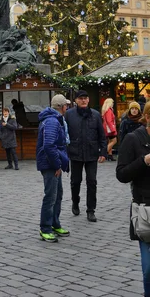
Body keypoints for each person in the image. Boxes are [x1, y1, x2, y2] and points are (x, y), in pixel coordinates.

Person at [116, 101, 150, 297]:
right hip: (145, 211)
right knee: (148, 270)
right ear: (147, 118)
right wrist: (143, 161)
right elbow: (121, 174)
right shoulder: (133, 139)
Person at [65, 90, 107, 222]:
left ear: (88, 100)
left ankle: (91, 210)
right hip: (75, 153)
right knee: (75, 182)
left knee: (92, 182)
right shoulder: (69, 114)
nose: (83, 100)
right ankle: (75, 202)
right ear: (76, 101)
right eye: (80, 98)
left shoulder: (95, 115)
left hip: (91, 153)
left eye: (85, 98)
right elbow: (64, 134)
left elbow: (102, 135)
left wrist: (103, 151)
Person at [36, 94, 70, 242]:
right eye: (66, 105)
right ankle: (45, 228)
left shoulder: (53, 119)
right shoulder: (52, 121)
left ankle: (54, 223)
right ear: (61, 107)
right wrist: (57, 164)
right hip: (50, 164)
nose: (67, 108)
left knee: (57, 195)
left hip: (52, 162)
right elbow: (49, 145)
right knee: (51, 196)